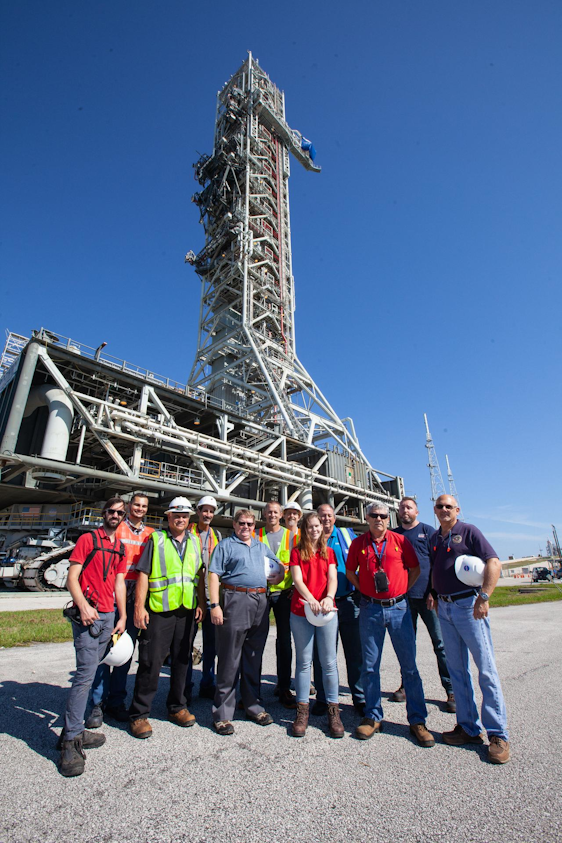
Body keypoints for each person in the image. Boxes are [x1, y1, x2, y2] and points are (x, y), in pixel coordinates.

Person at [345, 502, 434, 747]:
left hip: (399, 609)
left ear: (388, 518)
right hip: (370, 609)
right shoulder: (358, 544)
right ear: (367, 517)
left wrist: (402, 590)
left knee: (409, 667)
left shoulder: (400, 541)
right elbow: (350, 571)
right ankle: (373, 716)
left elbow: (414, 568)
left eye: (383, 516)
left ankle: (417, 720)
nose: (379, 519)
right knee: (370, 666)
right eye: (374, 515)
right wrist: (365, 591)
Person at [431, 494, 510, 764]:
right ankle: (467, 727)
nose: (444, 510)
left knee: (485, 669)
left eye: (448, 507)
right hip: (445, 608)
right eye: (440, 506)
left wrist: (484, 597)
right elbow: (436, 570)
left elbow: (493, 562)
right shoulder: (435, 538)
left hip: (469, 606)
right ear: (435, 509)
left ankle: (498, 734)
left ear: (457, 510)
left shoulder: (469, 531)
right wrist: (434, 593)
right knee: (457, 671)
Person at [58, 497, 127, 777]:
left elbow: (120, 582)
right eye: (111, 511)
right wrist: (83, 605)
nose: (115, 515)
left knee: (94, 669)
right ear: (103, 514)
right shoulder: (89, 539)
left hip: (109, 616)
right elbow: (71, 577)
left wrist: (122, 616)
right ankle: (71, 742)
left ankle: (71, 729)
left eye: (119, 513)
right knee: (85, 675)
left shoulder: (120, 547)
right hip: (89, 615)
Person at [128, 497, 204, 739]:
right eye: (176, 515)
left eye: (184, 515)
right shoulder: (157, 539)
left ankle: (177, 707)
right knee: (151, 662)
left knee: (183, 660)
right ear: (168, 517)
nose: (180, 519)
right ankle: (139, 714)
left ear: (189, 518)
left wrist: (201, 602)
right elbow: (143, 574)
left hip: (186, 609)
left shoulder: (195, 540)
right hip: (159, 610)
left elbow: (199, 574)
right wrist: (139, 608)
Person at [208, 509, 282, 735]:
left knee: (253, 656)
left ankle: (252, 705)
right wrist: (215, 605)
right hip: (235, 599)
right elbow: (213, 575)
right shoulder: (225, 546)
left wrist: (277, 575)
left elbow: (277, 568)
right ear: (234, 523)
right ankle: (222, 714)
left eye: (250, 523)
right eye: (242, 523)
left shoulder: (261, 546)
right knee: (230, 656)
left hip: (260, 600)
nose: (246, 527)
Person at [86, 492, 154, 727]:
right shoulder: (117, 529)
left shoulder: (150, 534)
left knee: (124, 652)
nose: (140, 509)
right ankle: (96, 703)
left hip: (136, 595)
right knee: (104, 653)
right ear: (129, 507)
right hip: (113, 593)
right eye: (136, 505)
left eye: (144, 506)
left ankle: (116, 702)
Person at [389, 497, 455, 713]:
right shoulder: (394, 534)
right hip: (403, 600)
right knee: (406, 645)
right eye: (401, 507)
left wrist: (433, 592)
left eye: (409, 507)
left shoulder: (429, 532)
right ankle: (406, 685)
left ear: (417, 511)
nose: (404, 510)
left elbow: (436, 564)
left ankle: (451, 689)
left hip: (428, 598)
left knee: (440, 645)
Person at [289, 511, 343, 738]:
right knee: (303, 662)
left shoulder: (329, 552)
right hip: (302, 610)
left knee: (329, 662)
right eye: (310, 526)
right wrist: (310, 598)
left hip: (326, 612)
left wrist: (329, 597)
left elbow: (333, 578)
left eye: (317, 526)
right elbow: (297, 579)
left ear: (322, 528)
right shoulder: (297, 551)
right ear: (304, 529)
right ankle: (302, 711)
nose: (314, 530)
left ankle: (333, 710)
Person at [312, 503, 364, 716]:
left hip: (349, 601)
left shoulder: (347, 535)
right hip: (323, 607)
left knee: (355, 653)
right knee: (323, 654)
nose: (325, 519)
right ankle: (323, 698)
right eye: (322, 516)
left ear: (335, 518)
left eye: (329, 515)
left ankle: (360, 698)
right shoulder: (311, 539)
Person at [257, 501, 297, 708]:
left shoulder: (292, 536)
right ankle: (253, 690)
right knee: (256, 640)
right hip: (261, 594)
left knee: (284, 641)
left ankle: (283, 687)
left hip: (283, 594)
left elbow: (298, 562)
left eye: (275, 512)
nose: (272, 515)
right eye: (269, 512)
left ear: (281, 515)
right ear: (264, 514)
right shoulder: (256, 535)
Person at [184, 495, 222, 702]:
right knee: (186, 643)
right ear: (197, 511)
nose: (207, 514)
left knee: (211, 644)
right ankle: (186, 687)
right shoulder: (186, 531)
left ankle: (208, 683)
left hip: (210, 596)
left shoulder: (216, 535)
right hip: (189, 596)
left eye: (211, 511)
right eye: (204, 510)